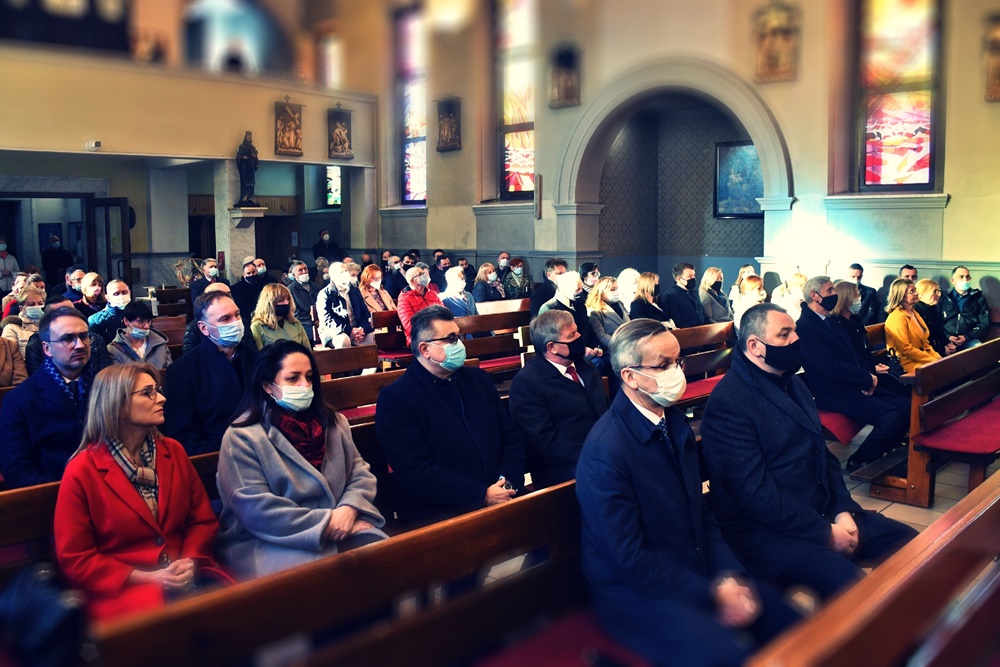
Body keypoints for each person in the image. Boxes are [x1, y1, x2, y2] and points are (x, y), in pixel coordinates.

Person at [576, 318, 801, 665]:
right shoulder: (606, 450)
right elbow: (628, 559)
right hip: (636, 592)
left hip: (689, 567)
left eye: (677, 361)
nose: (677, 372)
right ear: (630, 377)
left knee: (794, 624)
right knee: (729, 657)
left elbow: (701, 514)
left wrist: (729, 576)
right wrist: (711, 592)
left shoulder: (673, 421)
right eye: (663, 365)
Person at [700, 303, 917, 601]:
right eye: (784, 334)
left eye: (794, 331)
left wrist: (842, 510)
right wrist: (824, 532)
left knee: (912, 544)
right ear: (755, 346)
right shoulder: (730, 403)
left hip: (821, 511)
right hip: (768, 532)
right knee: (852, 589)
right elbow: (755, 495)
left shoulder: (793, 383)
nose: (795, 339)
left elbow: (824, 456)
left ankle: (916, 622)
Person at [54, 363, 225, 621]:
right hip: (124, 590)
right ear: (118, 405)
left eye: (158, 390)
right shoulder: (82, 470)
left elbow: (201, 520)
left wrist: (190, 560)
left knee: (236, 611)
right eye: (148, 393)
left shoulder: (173, 451)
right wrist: (146, 577)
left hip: (185, 575)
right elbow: (76, 557)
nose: (162, 398)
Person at [217, 342, 387, 579]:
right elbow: (257, 510)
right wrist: (327, 523)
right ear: (267, 386)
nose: (304, 385)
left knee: (385, 560)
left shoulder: (334, 422)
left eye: (308, 377)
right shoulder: (242, 437)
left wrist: (349, 510)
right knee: (329, 580)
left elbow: (359, 473)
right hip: (271, 539)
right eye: (293, 378)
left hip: (343, 521)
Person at [375, 306, 525, 527]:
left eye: (459, 337)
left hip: (502, 494)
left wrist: (507, 480)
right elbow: (416, 471)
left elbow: (510, 435)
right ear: (425, 349)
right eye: (452, 338)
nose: (460, 345)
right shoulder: (397, 398)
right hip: (444, 514)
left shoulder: (478, 380)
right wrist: (481, 495)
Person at [797, 276, 910, 472]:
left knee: (908, 406)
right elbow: (828, 367)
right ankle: (860, 461)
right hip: (833, 391)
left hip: (854, 384)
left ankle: (885, 454)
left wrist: (869, 378)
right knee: (892, 418)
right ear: (815, 296)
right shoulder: (805, 327)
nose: (835, 294)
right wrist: (865, 379)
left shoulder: (829, 321)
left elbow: (853, 356)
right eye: (830, 290)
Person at [0, 308, 98, 487]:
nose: (80, 345)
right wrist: (71, 489)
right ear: (47, 348)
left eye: (84, 336)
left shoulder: (106, 386)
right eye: (68, 339)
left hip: (107, 485)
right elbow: (17, 470)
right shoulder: (19, 401)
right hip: (53, 491)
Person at [510, 310, 608, 488]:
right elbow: (543, 442)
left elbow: (605, 411)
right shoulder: (527, 383)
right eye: (572, 335)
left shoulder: (585, 367)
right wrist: (595, 454)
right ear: (552, 347)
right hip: (560, 466)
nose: (579, 337)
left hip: (601, 451)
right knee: (610, 474)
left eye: (577, 331)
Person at [163, 291, 258, 455]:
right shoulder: (182, 371)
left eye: (237, 315)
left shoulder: (256, 359)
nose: (236, 322)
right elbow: (183, 436)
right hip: (217, 455)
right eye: (225, 319)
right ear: (204, 328)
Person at [829, 281, 910, 397]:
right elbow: (851, 355)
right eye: (856, 296)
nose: (859, 299)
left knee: (901, 383)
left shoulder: (855, 319)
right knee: (898, 389)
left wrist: (876, 364)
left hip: (870, 365)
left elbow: (865, 349)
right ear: (846, 299)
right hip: (861, 371)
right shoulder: (837, 324)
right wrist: (872, 368)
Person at [24, 294, 112, 377]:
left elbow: (106, 376)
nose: (80, 345)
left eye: (72, 312)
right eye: (60, 314)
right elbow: (38, 379)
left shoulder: (95, 339)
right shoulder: (35, 344)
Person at [539, 272, 604, 370]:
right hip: (564, 358)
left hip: (586, 352)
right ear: (564, 290)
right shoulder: (549, 309)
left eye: (581, 288)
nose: (581, 292)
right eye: (577, 289)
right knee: (597, 363)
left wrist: (596, 347)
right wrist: (582, 350)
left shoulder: (580, 305)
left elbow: (588, 329)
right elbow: (554, 342)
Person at [884, 278, 942, 373]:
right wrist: (932, 361)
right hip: (907, 362)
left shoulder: (914, 313)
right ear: (901, 296)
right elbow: (905, 349)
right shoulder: (896, 317)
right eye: (912, 291)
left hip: (921, 359)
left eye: (915, 290)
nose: (916, 293)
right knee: (943, 371)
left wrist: (937, 358)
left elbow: (925, 343)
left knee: (949, 367)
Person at [316, 262, 375, 349]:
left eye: (346, 271)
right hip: (335, 332)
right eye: (341, 272)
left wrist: (362, 329)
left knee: (376, 337)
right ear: (333, 276)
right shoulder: (325, 294)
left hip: (357, 330)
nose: (345, 274)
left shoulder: (354, 291)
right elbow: (327, 319)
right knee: (344, 341)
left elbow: (365, 313)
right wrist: (349, 330)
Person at [106, 300, 173, 369]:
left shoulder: (159, 343)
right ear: (126, 321)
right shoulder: (114, 349)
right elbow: (117, 375)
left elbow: (169, 371)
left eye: (149, 321)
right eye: (140, 321)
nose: (147, 326)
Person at [940, 265, 989, 352]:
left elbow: (984, 324)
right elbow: (936, 321)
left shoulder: (978, 298)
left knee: (979, 350)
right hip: (946, 339)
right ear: (952, 280)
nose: (965, 280)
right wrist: (947, 336)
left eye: (967, 277)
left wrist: (966, 337)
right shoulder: (944, 297)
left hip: (969, 339)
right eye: (961, 277)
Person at [250, 283, 311, 350]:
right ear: (270, 304)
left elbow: (307, 349)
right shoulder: (257, 327)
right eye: (281, 300)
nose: (286, 302)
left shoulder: (295, 323)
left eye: (287, 299)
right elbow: (260, 354)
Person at [396, 265, 443, 346]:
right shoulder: (404, 299)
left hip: (439, 334)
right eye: (420, 274)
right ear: (412, 281)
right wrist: (432, 333)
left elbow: (443, 314)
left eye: (424, 273)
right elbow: (409, 326)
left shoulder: (433, 294)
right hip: (419, 338)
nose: (425, 276)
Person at [181, 282, 231, 355]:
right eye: (219, 297)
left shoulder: (241, 322)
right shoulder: (194, 328)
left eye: (229, 295)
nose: (226, 300)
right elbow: (191, 356)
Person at [587, 276, 630, 352]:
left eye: (616, 288)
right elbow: (601, 336)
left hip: (630, 343)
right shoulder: (595, 311)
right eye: (612, 289)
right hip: (614, 348)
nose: (616, 292)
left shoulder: (620, 304)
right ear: (601, 292)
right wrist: (621, 345)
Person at [658, 262, 706, 329]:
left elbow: (701, 312)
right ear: (679, 279)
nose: (693, 278)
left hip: (702, 330)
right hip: (686, 332)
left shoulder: (694, 293)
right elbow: (675, 321)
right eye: (690, 276)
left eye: (694, 275)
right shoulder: (670, 296)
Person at [914, 278, 955, 357]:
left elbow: (939, 331)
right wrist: (942, 350)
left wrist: (947, 343)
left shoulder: (933, 308)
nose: (939, 295)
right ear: (922, 294)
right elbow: (922, 342)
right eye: (935, 291)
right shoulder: (916, 312)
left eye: (939, 291)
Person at [2, 286, 44, 357]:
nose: (37, 307)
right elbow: (9, 357)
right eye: (32, 304)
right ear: (22, 308)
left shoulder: (49, 325)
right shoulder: (11, 328)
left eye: (40, 304)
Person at [88, 278, 131, 344]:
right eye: (116, 294)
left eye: (124, 292)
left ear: (129, 293)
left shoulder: (139, 314)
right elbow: (96, 346)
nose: (121, 296)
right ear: (107, 297)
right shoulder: (96, 320)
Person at [231, 256, 266, 331]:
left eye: (253, 272)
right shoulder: (236, 289)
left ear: (256, 271)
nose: (251, 275)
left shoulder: (264, 285)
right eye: (248, 273)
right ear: (244, 275)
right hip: (246, 319)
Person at [287, 260, 319, 340]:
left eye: (305, 269)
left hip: (320, 321)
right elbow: (295, 312)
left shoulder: (316, 287)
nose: (304, 272)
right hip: (303, 324)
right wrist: (312, 321)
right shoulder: (290, 290)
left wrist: (319, 319)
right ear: (294, 275)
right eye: (300, 270)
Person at [236, 130, 259, 207]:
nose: (249, 139)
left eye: (250, 137)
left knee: (251, 183)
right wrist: (243, 157)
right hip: (245, 167)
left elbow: (256, 158)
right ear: (245, 138)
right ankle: (244, 198)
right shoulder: (242, 147)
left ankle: (251, 198)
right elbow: (238, 156)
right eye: (248, 137)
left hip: (251, 167)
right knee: (245, 182)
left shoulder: (253, 147)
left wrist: (254, 157)